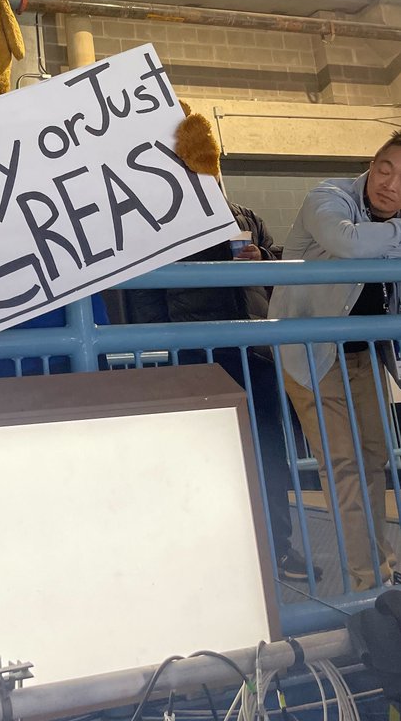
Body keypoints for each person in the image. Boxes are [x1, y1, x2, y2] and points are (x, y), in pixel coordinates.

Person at [129, 202, 319, 582]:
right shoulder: (159, 220)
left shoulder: (248, 216)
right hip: (199, 357)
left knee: (269, 453)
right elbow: (146, 295)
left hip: (257, 351)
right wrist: (166, 352)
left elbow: (279, 273)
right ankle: (214, 553)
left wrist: (263, 257)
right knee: (206, 457)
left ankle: (278, 549)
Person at [269, 132, 401, 591]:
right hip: (312, 353)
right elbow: (344, 242)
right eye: (385, 169)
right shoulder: (328, 196)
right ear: (372, 164)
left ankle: (379, 567)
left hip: (363, 353)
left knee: (374, 459)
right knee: (344, 466)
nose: (390, 185)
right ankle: (369, 585)